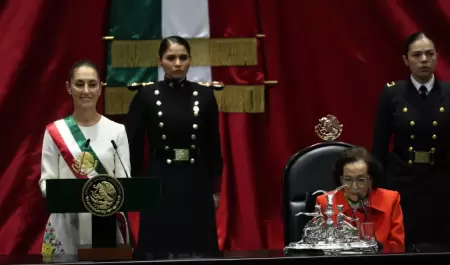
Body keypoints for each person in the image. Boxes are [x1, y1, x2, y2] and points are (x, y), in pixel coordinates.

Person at [126, 36, 223, 257]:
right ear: (160, 60)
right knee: (158, 246)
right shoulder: (147, 96)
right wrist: (138, 185)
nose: (177, 63)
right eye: (171, 58)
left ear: (190, 60)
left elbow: (212, 145)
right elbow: (134, 145)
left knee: (198, 245)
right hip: (160, 176)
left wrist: (215, 188)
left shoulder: (205, 95)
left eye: (183, 57)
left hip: (195, 176)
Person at [38, 60, 131, 256]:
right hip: (66, 221)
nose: (86, 90)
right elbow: (47, 181)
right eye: (79, 84)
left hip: (105, 224)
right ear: (68, 88)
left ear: (100, 88)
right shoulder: (55, 132)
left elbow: (124, 182)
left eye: (92, 84)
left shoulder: (118, 131)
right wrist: (66, 197)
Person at [372, 32, 450, 246]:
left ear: (437, 57)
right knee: (404, 241)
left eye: (429, 54)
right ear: (406, 60)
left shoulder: (449, 93)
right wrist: (378, 187)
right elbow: (379, 144)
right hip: (402, 179)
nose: (424, 60)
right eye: (417, 55)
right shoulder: (392, 94)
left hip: (440, 179)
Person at [316, 147, 405, 246]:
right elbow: (319, 246)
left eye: (361, 180)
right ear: (341, 180)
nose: (354, 186)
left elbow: (398, 247)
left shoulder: (390, 200)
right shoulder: (325, 202)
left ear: (370, 180)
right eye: (348, 179)